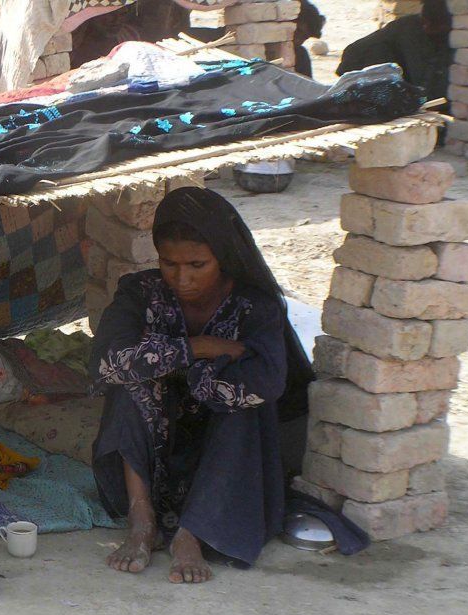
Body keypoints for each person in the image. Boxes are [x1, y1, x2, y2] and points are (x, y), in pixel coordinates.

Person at [89, 187, 313, 583]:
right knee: (129, 387)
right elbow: (108, 363)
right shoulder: (139, 292)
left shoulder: (255, 306)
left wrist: (183, 372)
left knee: (241, 405)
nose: (181, 278)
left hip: (224, 447)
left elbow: (267, 383)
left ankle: (192, 534)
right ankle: (142, 520)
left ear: (223, 258)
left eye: (197, 264)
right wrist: (201, 349)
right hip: (152, 444)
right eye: (168, 263)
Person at [337, 0, 452, 104]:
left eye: (434, 25)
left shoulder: (452, 41)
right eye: (424, 23)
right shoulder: (407, 30)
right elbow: (353, 52)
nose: (427, 28)